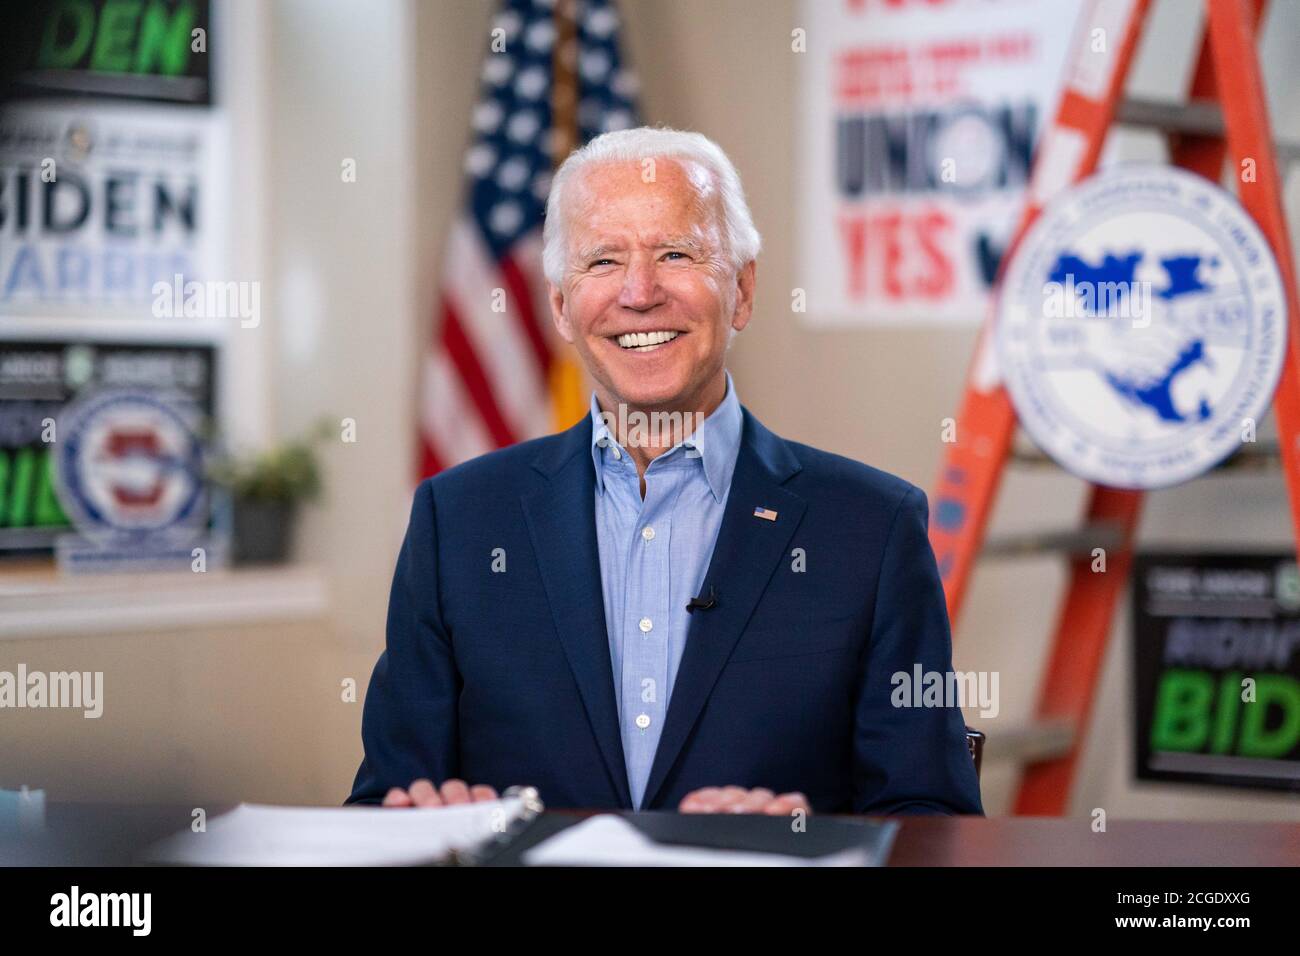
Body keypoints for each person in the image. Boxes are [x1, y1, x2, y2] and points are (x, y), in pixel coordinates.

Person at [347, 127, 983, 816]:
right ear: (560, 305)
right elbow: (386, 801)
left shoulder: (873, 530)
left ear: (741, 291)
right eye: (603, 262)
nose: (640, 293)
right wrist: (418, 823)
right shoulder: (458, 522)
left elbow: (933, 822)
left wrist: (802, 847)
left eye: (676, 253)